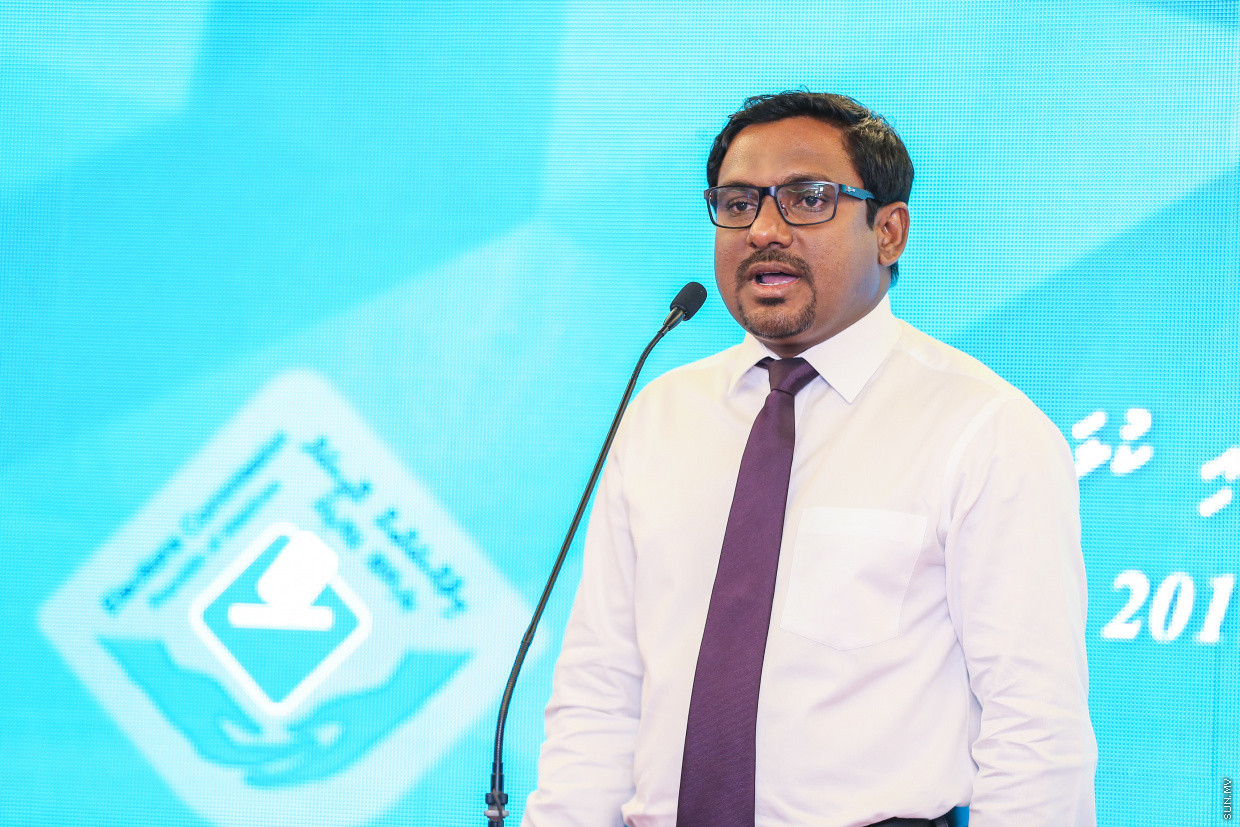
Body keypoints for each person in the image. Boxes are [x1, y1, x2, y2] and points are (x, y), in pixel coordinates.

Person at [522, 91, 1096, 826]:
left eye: (808, 198)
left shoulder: (984, 428)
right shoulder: (662, 414)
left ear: (889, 231)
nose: (764, 229)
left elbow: (1035, 726)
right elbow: (601, 689)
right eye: (738, 204)